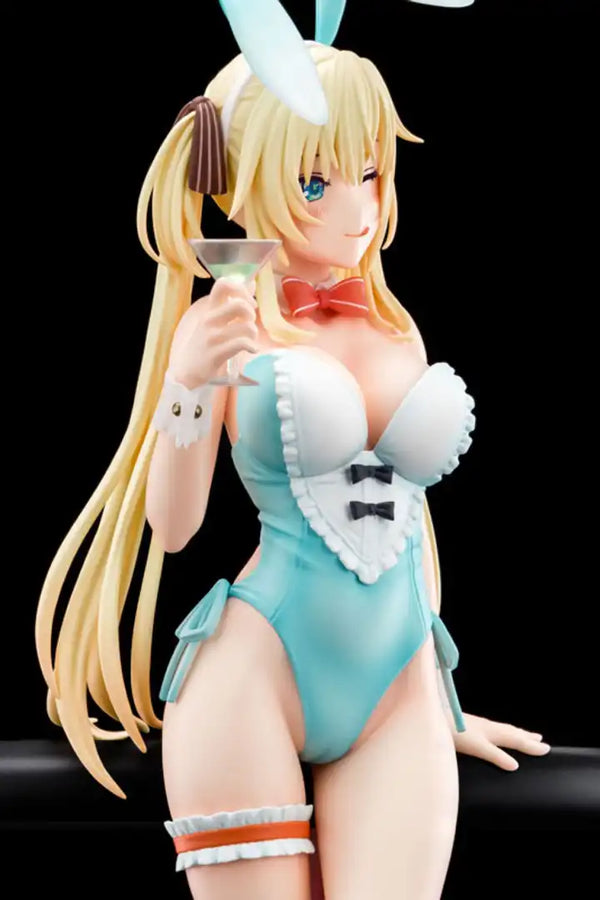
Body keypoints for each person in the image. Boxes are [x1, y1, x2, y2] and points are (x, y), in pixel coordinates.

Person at [35, 3, 551, 898]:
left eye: (370, 172)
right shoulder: (229, 326)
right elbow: (174, 526)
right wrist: (187, 382)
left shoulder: (393, 324)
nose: (358, 208)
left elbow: (412, 525)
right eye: (315, 182)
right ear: (239, 186)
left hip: (399, 686)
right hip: (254, 678)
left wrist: (442, 695)